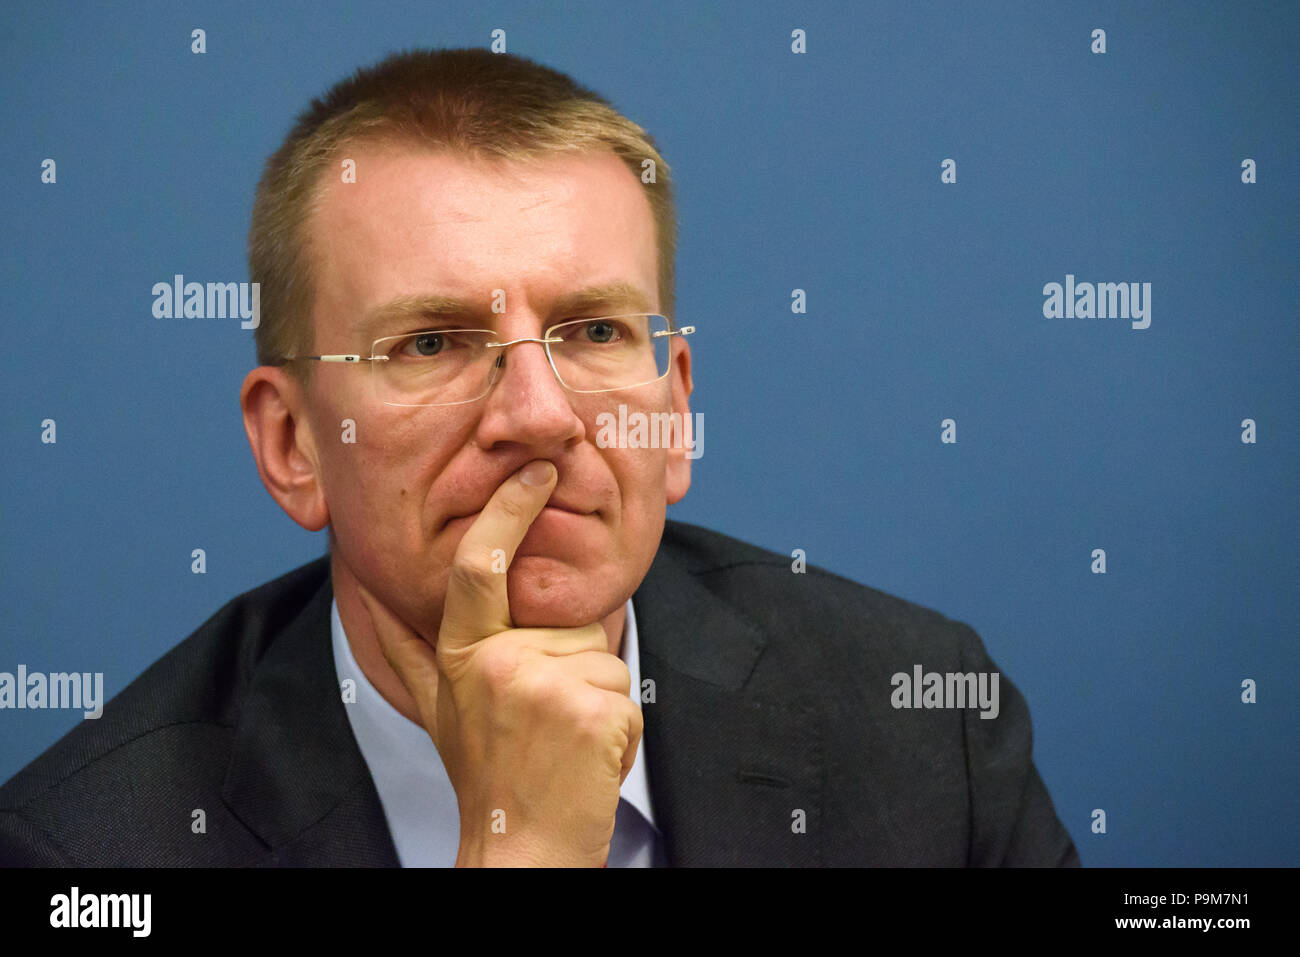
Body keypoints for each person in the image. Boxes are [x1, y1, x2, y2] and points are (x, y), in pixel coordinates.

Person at [0, 48, 1078, 867]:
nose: (540, 412)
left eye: (597, 332)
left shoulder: (923, 728)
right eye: (432, 342)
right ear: (294, 446)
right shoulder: (84, 854)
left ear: (677, 416)